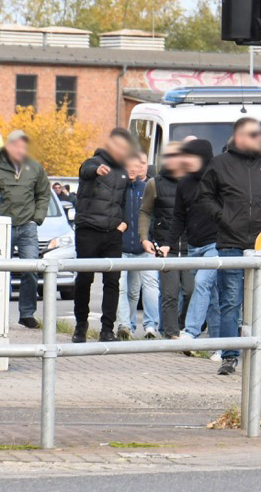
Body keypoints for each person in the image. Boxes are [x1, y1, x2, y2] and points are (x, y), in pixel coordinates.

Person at [198, 117, 261, 375]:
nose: (258, 138)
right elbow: (204, 196)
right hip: (230, 241)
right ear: (238, 137)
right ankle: (229, 356)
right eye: (252, 134)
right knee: (230, 301)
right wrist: (222, 217)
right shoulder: (219, 164)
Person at [72, 128, 135, 343]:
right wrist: (97, 170)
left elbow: (123, 202)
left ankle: (107, 330)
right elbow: (85, 171)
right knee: (84, 279)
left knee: (112, 282)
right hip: (88, 230)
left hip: (113, 234)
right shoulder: (94, 162)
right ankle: (80, 326)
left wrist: (123, 224)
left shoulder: (124, 172)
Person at [170, 140, 220, 346]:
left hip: (215, 244)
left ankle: (190, 331)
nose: (186, 161)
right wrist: (168, 244)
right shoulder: (184, 183)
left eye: (190, 157)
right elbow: (179, 217)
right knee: (212, 297)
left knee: (201, 283)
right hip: (194, 246)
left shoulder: (218, 179)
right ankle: (220, 345)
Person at [0, 130, 50, 329]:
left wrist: (37, 218)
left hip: (28, 227)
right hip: (4, 227)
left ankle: (27, 313)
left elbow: (43, 194)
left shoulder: (35, 168)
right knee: (2, 272)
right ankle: (1, 313)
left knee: (31, 269)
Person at [140, 142, 191, 339]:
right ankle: (171, 334)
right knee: (170, 293)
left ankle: (182, 326)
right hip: (165, 247)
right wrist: (144, 238)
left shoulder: (193, 181)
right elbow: (145, 211)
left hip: (190, 246)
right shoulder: (155, 184)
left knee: (190, 291)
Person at [117, 155, 158, 339]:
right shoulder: (118, 189)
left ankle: (145, 326)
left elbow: (154, 215)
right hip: (121, 248)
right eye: (129, 165)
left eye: (138, 165)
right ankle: (124, 324)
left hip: (143, 249)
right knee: (121, 288)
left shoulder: (147, 188)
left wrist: (150, 238)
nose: (133, 169)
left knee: (135, 291)